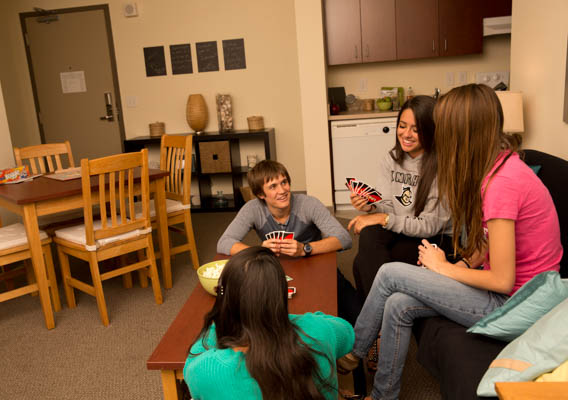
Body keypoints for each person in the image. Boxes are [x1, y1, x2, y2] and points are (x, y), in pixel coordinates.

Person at [338, 84, 563, 400]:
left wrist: (443, 268)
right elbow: (489, 241)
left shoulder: (503, 185)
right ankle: (382, 395)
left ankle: (351, 356)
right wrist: (462, 263)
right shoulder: (499, 168)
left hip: (516, 304)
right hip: (512, 293)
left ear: (463, 133)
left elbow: (502, 280)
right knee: (398, 303)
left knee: (389, 275)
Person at [184, 246, 355, 400]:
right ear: (280, 295)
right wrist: (277, 318)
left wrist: (222, 319)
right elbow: (347, 332)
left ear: (227, 301)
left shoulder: (204, 369)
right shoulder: (319, 330)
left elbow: (192, 360)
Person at [346, 95, 453, 299]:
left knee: (362, 262)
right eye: (402, 126)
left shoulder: (443, 167)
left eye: (416, 129)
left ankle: (377, 319)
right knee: (369, 237)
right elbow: (389, 207)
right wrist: (371, 208)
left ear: (431, 130)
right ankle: (381, 316)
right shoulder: (392, 159)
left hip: (434, 239)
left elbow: (429, 226)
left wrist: (383, 219)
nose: (406, 134)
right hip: (402, 230)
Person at [217, 160, 352, 257]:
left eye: (284, 182)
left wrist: (305, 249)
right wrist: (260, 251)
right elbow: (224, 243)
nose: (282, 190)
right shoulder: (252, 209)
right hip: (275, 266)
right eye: (273, 186)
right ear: (260, 194)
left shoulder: (309, 204)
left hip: (312, 259)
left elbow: (344, 238)